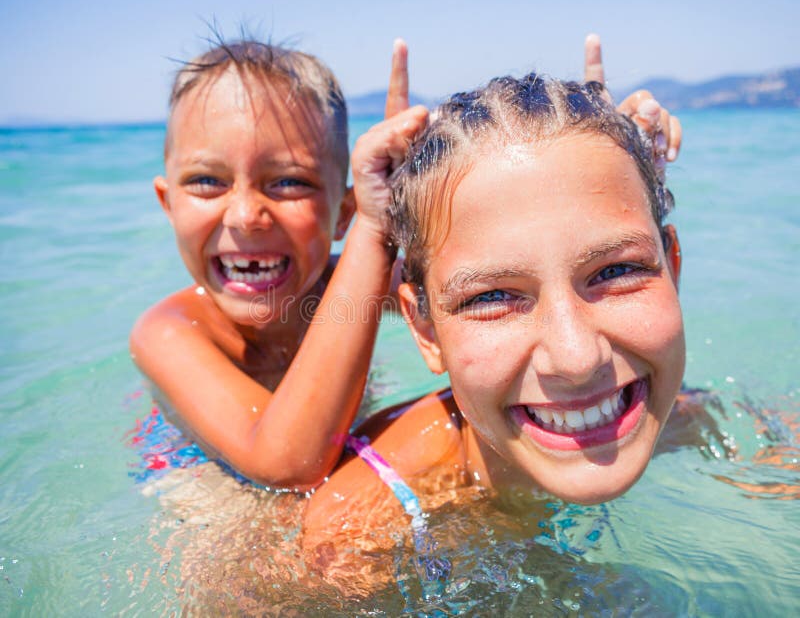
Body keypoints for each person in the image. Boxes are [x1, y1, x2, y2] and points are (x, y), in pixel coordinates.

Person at [302, 67, 686, 584]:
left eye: (616, 271)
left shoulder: (681, 417)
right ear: (425, 331)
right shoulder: (356, 543)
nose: (577, 361)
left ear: (673, 269)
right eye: (494, 297)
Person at [129, 39, 426, 489]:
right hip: (198, 476)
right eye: (207, 181)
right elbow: (287, 465)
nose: (246, 216)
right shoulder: (168, 331)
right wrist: (373, 230)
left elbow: (475, 296)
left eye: (289, 182)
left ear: (342, 211)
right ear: (168, 204)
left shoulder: (347, 285)